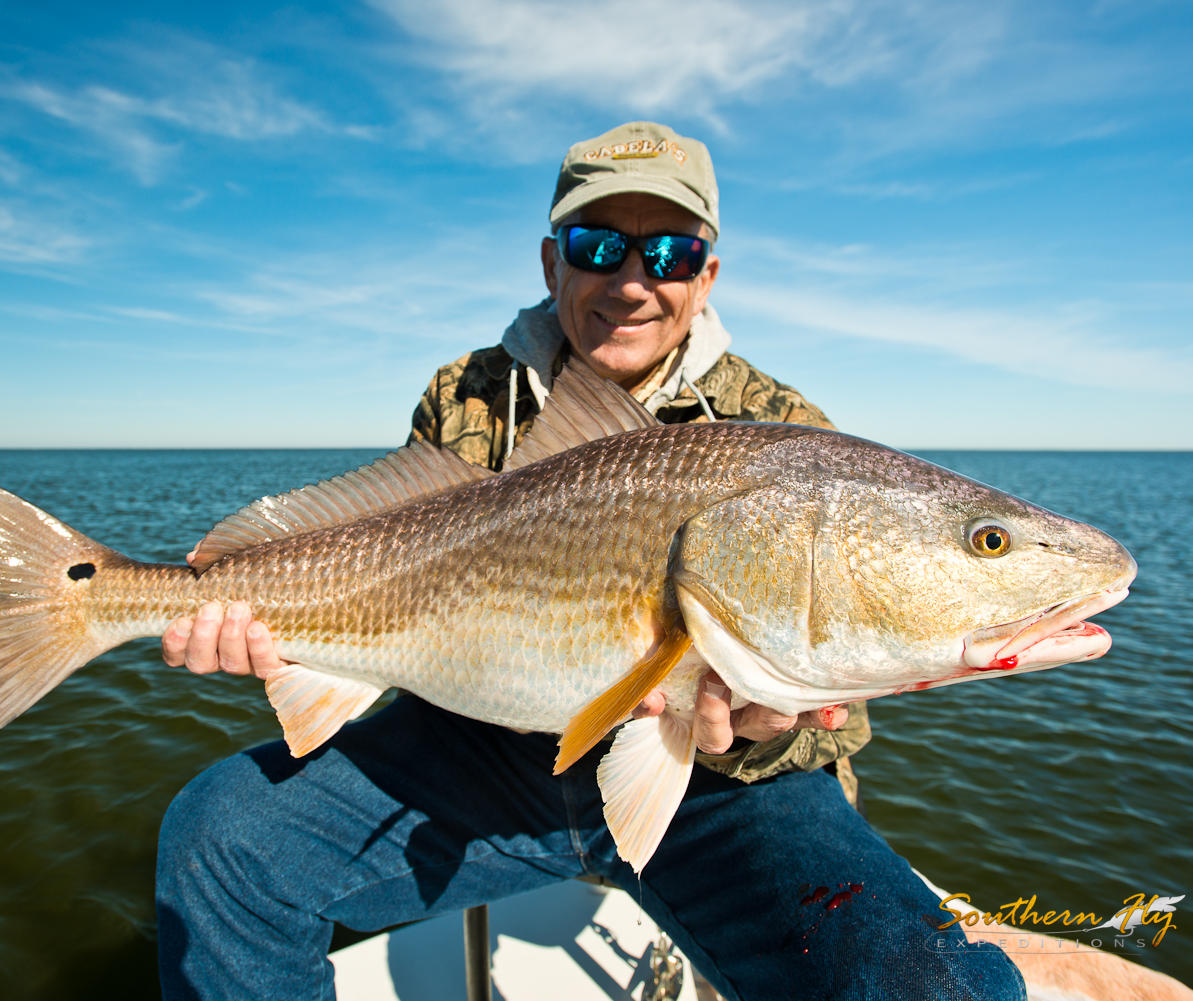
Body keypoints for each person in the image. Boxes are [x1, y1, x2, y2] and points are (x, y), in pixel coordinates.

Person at [155, 122, 1025, 1000]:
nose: (633, 281)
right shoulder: (465, 396)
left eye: (672, 253)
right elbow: (389, 581)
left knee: (943, 985)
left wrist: (771, 725)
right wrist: (270, 625)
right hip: (489, 757)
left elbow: (835, 708)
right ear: (551, 262)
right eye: (598, 244)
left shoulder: (784, 431)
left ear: (707, 274)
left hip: (717, 792)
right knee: (219, 836)